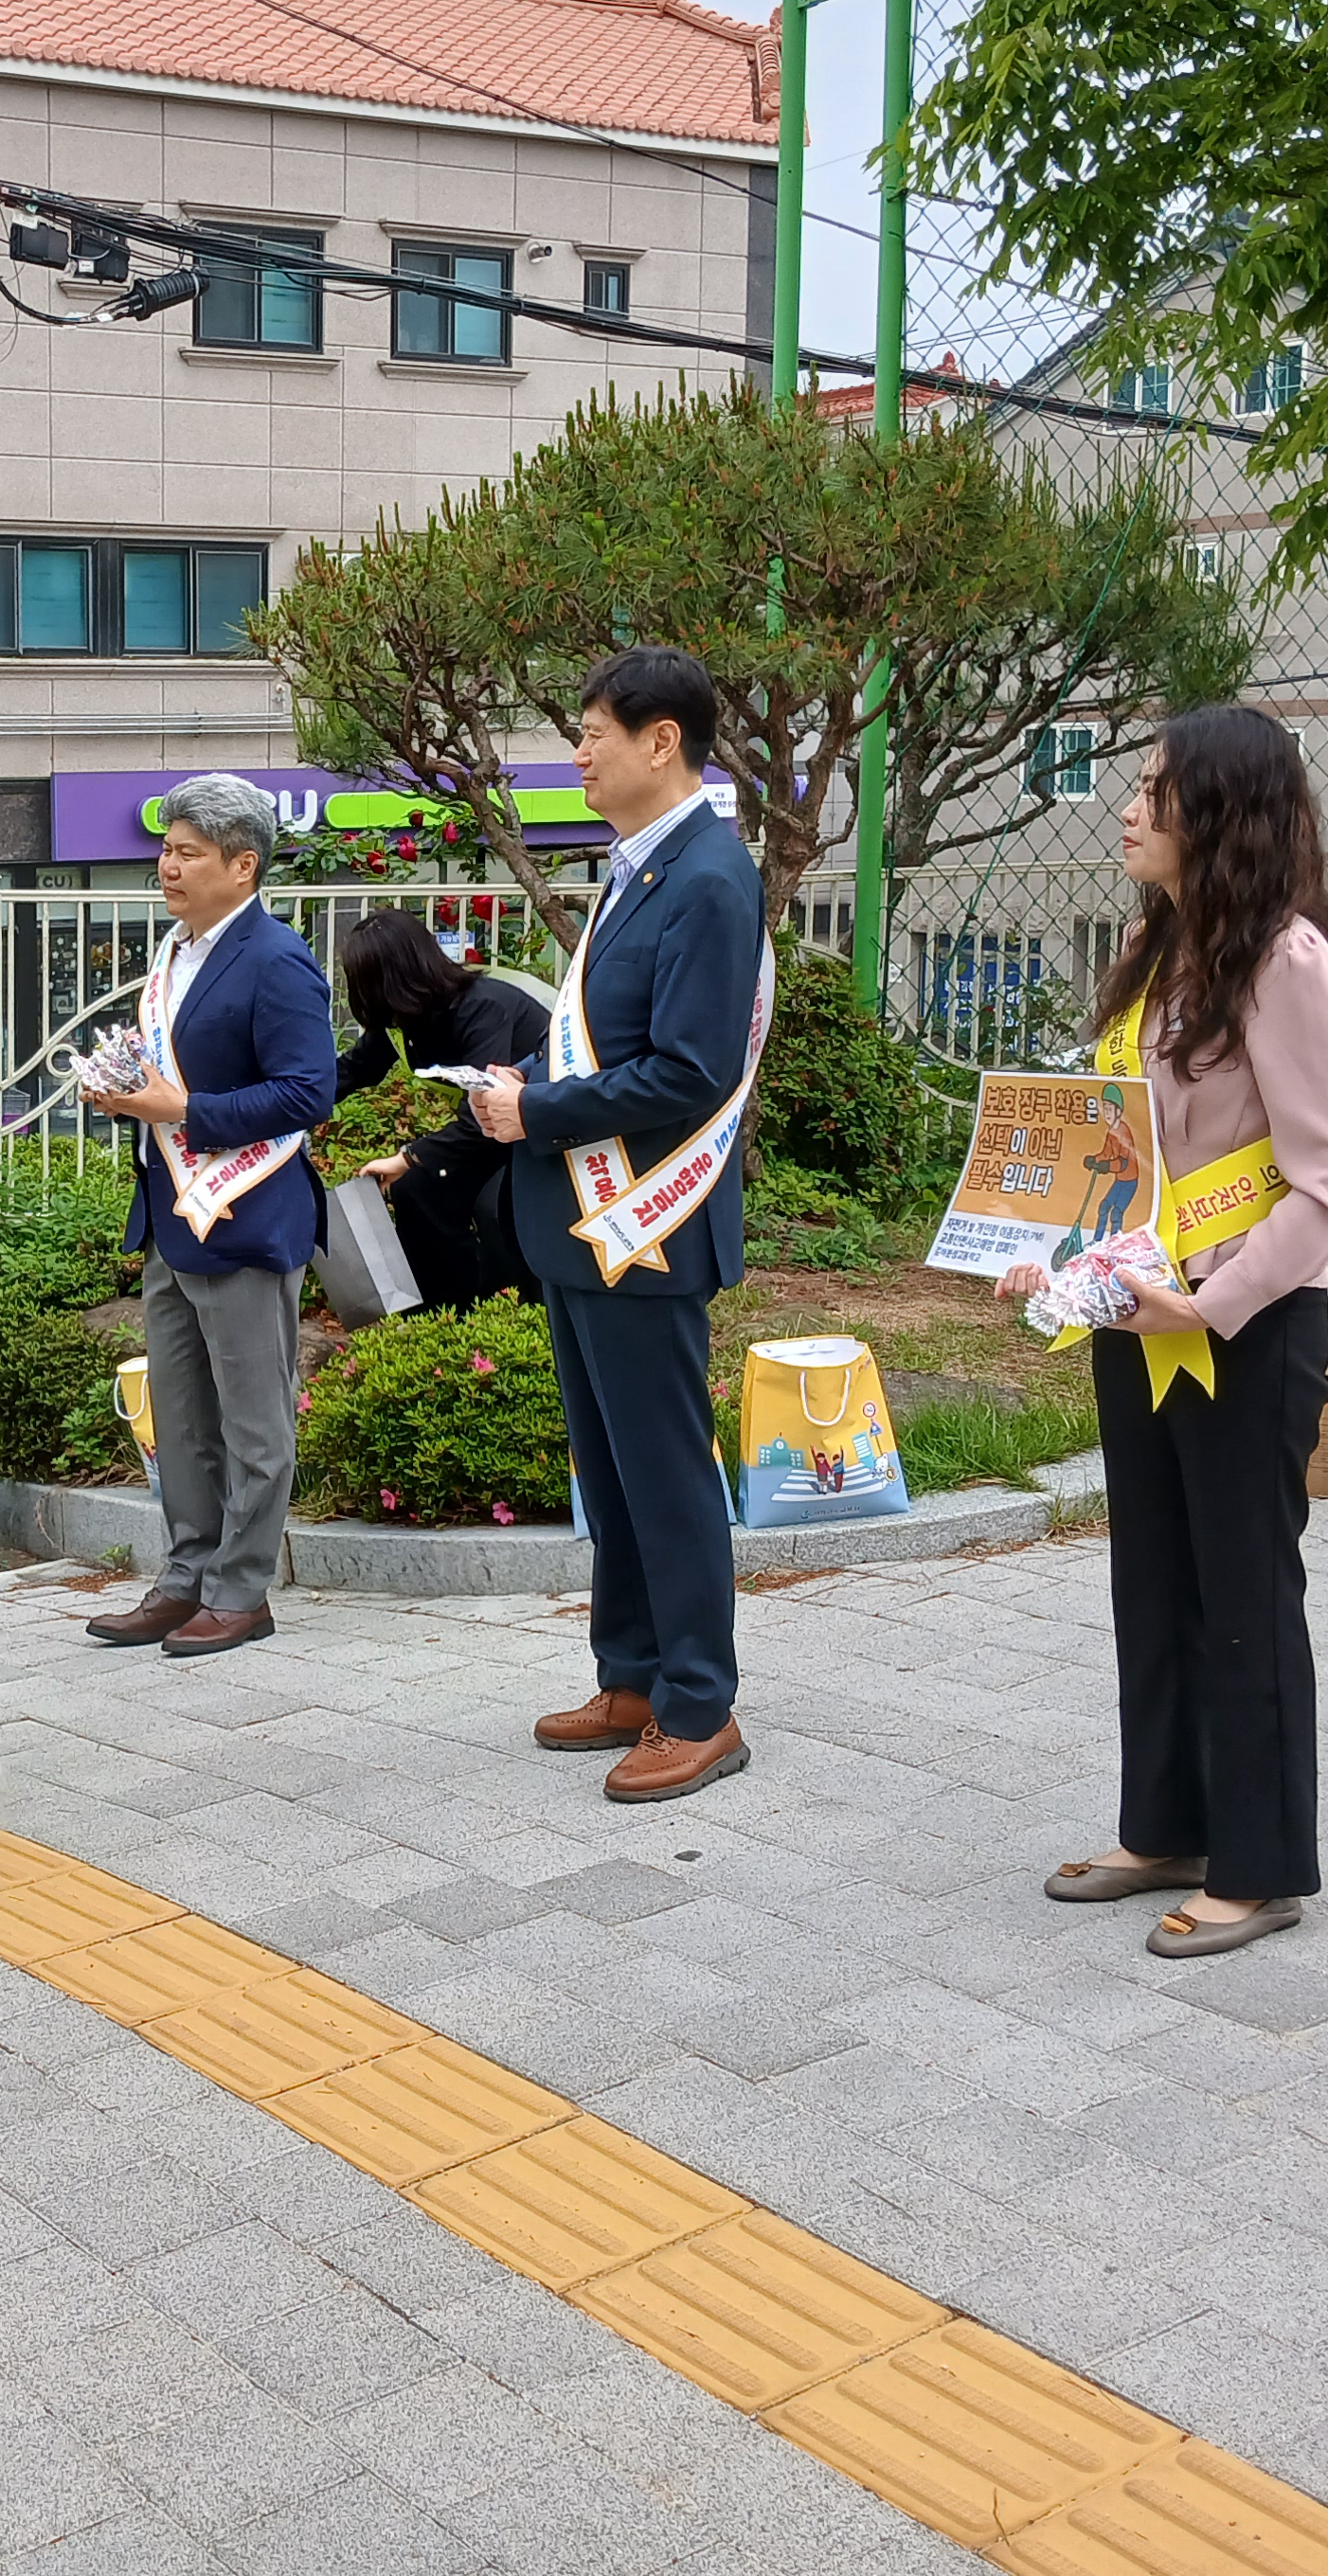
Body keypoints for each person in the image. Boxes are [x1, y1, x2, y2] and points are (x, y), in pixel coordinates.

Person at [1004, 707, 1328, 1959]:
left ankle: (1260, 1867)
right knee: (1152, 1582)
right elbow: (1126, 1149)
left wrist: (1208, 1303)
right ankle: (1164, 1823)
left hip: (1243, 1332)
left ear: (1220, 816)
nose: (1127, 807)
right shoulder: (1167, 954)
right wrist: (1049, 1251)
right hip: (1138, 1318)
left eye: (1155, 792)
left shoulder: (1290, 966)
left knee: (1243, 1602)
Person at [476, 650, 770, 1802]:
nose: (581, 753)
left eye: (597, 731)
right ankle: (634, 1675)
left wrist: (535, 1111)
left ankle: (702, 1705)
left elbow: (691, 1071)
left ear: (663, 742)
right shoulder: (638, 868)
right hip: (588, 1225)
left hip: (647, 1225)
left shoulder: (707, 876)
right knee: (610, 1470)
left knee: (664, 1472)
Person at [79, 776, 340, 1656]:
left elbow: (309, 1091)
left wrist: (182, 1112)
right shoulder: (175, 955)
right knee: (181, 1415)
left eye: (187, 852)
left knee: (254, 1419)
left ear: (243, 863)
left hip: (246, 1214)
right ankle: (184, 1577)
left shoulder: (276, 958)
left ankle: (242, 1588)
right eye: (165, 850)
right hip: (169, 1217)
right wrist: (128, 1095)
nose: (167, 866)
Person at [335, 909, 551, 1313]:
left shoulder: (482, 1009)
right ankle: (444, 1313)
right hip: (489, 1134)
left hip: (538, 1131)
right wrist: (289, 1102)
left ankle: (520, 1317)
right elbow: (352, 1071)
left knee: (496, 1208)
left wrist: (408, 1156)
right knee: (417, 1190)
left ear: (396, 976)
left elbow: (481, 1115)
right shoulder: (405, 1022)